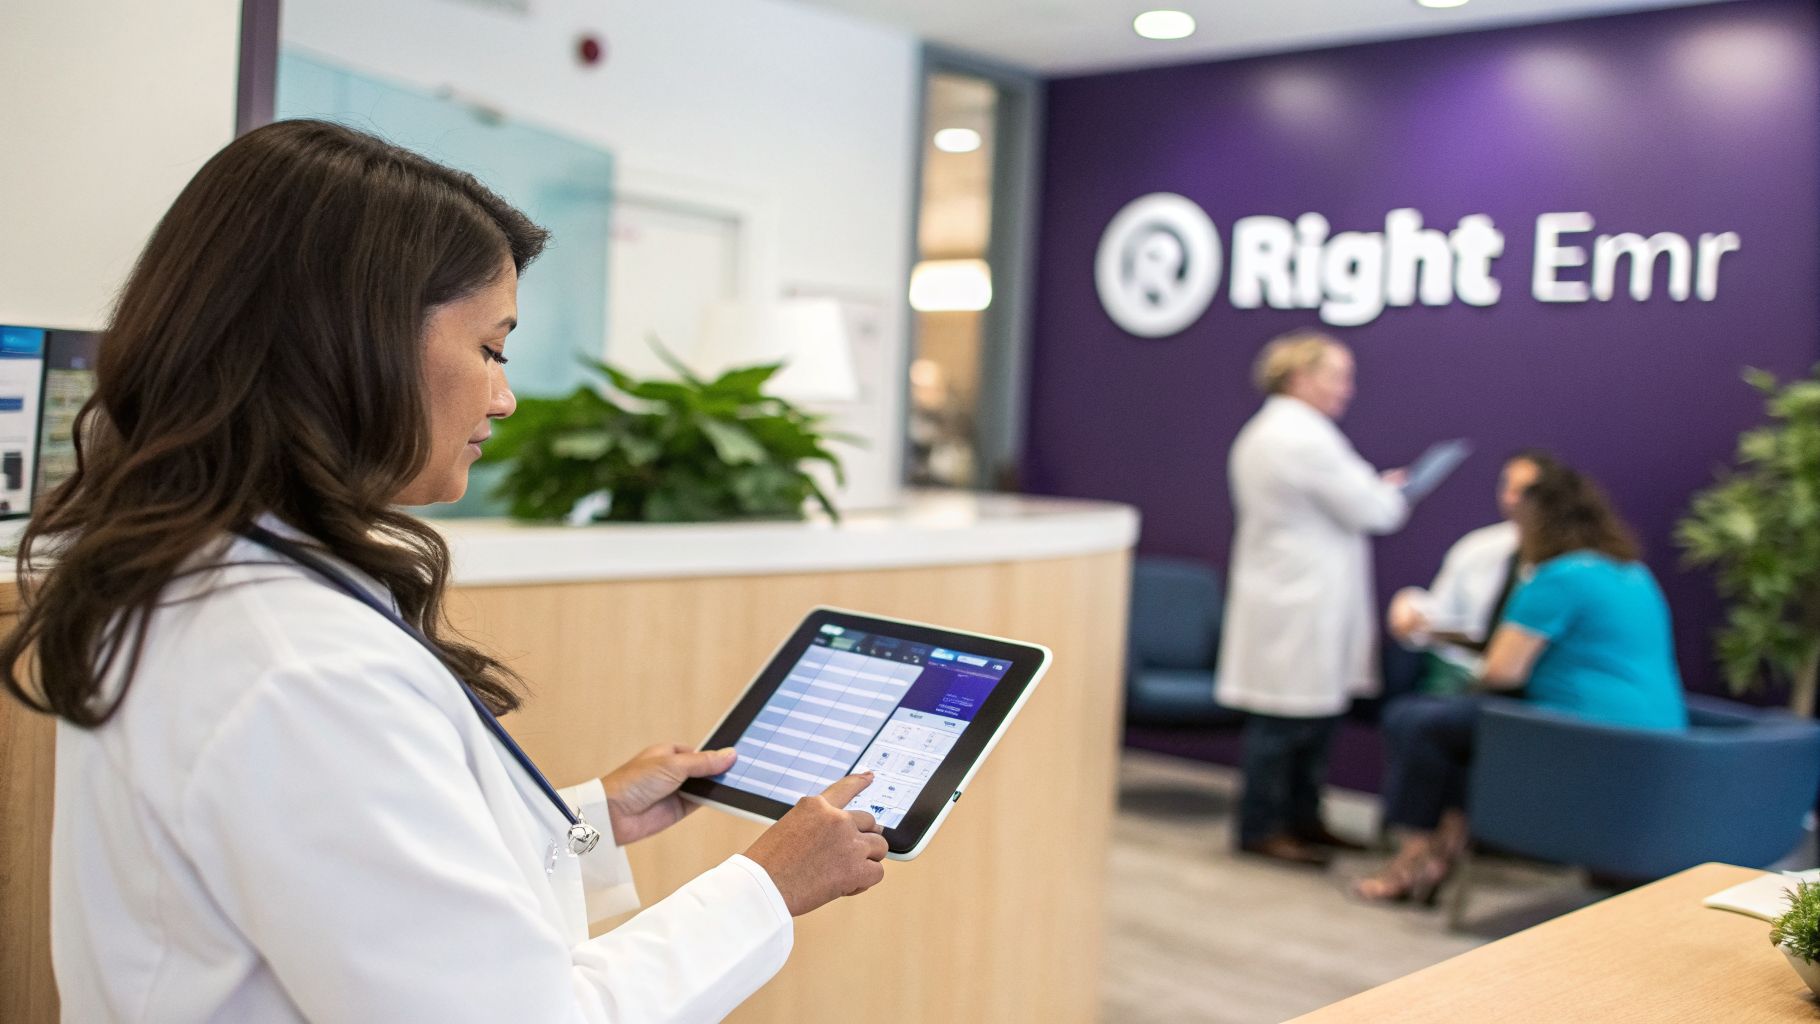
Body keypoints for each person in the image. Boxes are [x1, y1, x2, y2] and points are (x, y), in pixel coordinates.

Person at [0, 120, 889, 1022]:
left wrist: (588, 822)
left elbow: (354, 895)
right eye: (492, 347)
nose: (503, 397)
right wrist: (763, 891)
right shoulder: (304, 672)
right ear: (354, 337)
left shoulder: (210, 580)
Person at [1354, 462, 1689, 903]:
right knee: (1456, 732)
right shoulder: (1631, 573)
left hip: (1578, 733)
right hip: (1655, 742)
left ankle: (1417, 854)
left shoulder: (1557, 578)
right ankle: (1444, 843)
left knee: (1413, 720)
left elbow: (1501, 671)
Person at [1218, 330, 1410, 867]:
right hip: (1299, 599)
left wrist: (1372, 491)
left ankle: (1302, 819)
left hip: (1293, 593)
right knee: (1283, 724)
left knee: (1306, 721)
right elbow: (1376, 512)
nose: (1346, 389)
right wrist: (1388, 493)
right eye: (1337, 376)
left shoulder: (1272, 432)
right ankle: (1263, 826)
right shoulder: (1303, 438)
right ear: (1300, 377)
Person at [1386, 450, 1557, 695]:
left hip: (1533, 683)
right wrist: (1412, 606)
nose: (1511, 499)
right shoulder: (1480, 546)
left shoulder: (1571, 566)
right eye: (1507, 487)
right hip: (1465, 673)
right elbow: (1441, 612)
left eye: (1526, 491)